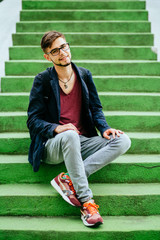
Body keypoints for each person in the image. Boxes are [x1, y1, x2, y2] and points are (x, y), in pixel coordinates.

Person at [27, 31, 131, 227]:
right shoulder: (42, 80)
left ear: (68, 46)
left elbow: (95, 108)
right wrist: (58, 128)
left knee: (123, 140)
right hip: (53, 145)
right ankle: (87, 202)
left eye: (63, 46)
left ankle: (68, 179)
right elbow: (33, 120)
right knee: (69, 135)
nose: (62, 52)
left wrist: (105, 128)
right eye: (55, 51)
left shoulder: (84, 74)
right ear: (47, 56)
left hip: (82, 140)